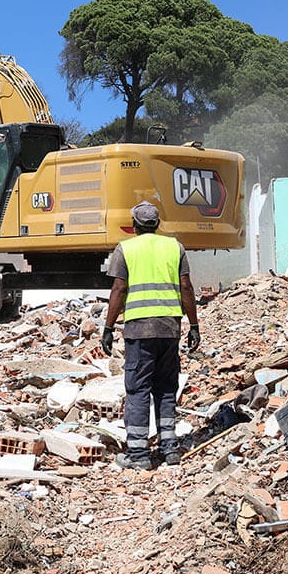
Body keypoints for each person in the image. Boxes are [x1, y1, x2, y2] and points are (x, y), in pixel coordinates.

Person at [102, 201, 201, 470]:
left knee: (138, 389)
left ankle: (139, 454)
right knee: (166, 387)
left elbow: (119, 290)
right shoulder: (175, 247)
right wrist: (194, 326)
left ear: (134, 225)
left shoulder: (126, 249)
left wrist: (109, 327)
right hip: (169, 329)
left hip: (138, 329)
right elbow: (186, 288)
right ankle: (169, 448)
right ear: (157, 225)